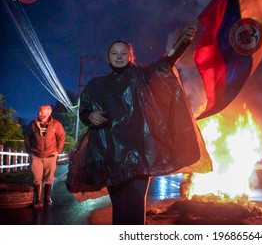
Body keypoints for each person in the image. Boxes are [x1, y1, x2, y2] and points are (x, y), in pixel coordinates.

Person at [69, 26, 212, 225]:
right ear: (108, 57)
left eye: (123, 53)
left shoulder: (142, 77)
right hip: (112, 155)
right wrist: (90, 115)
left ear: (131, 56)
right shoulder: (96, 85)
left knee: (136, 206)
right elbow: (83, 111)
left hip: (140, 155)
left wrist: (183, 42)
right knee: (119, 208)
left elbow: (166, 63)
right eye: (114, 53)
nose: (119, 56)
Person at [24, 105, 66, 208]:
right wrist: (29, 151)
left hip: (51, 155)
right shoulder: (33, 124)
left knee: (49, 178)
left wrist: (58, 151)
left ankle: (47, 198)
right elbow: (27, 137)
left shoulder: (56, 124)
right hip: (36, 155)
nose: (39, 113)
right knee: (37, 178)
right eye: (39, 111)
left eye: (41, 112)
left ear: (48, 114)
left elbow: (61, 137)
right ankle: (37, 200)